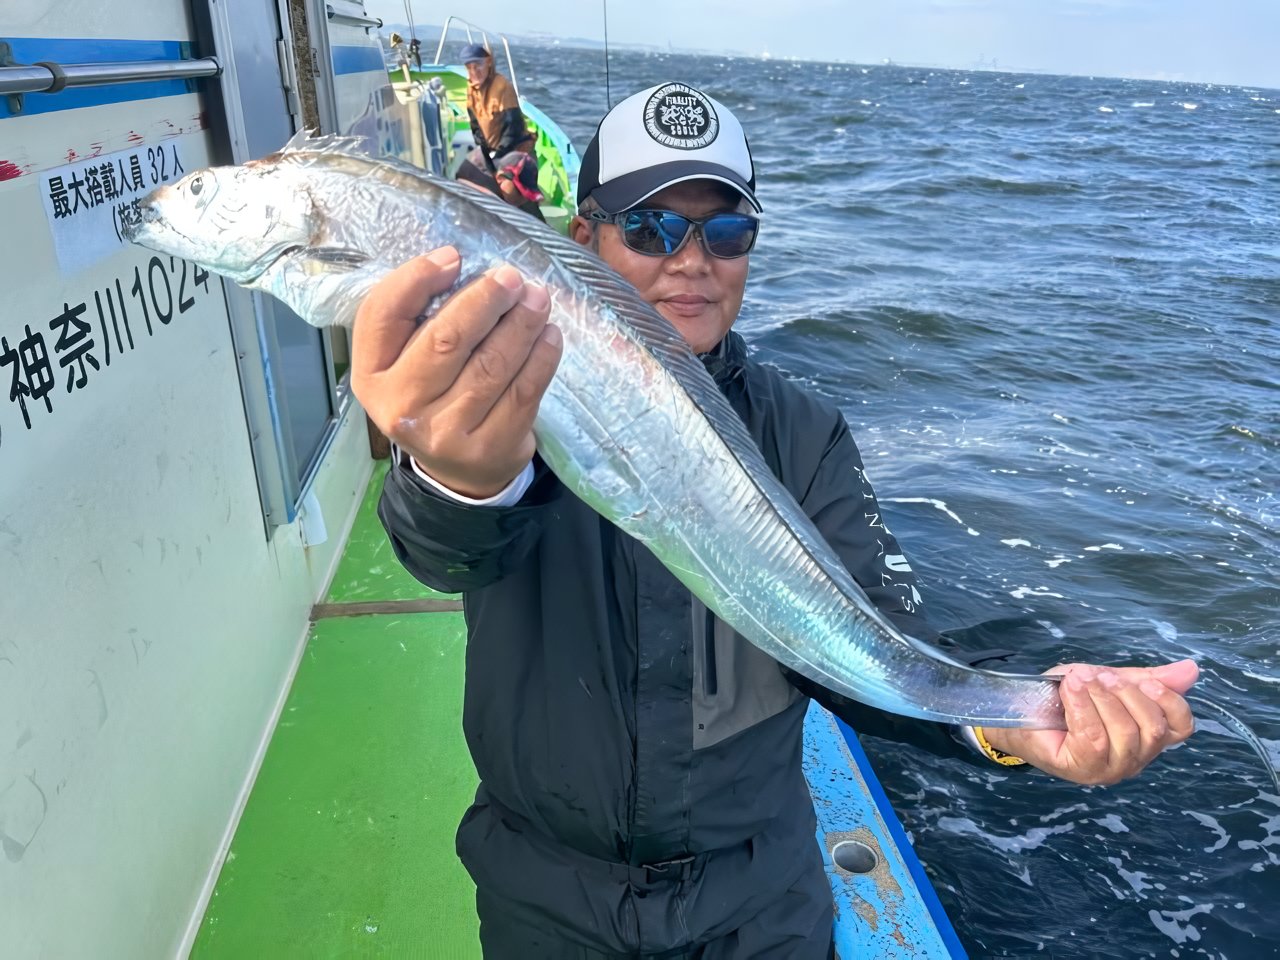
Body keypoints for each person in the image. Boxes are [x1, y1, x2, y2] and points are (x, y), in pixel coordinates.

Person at [351, 81, 1199, 958]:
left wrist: (1014, 720)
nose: (692, 260)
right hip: (544, 890)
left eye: (725, 231)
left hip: (758, 900)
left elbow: (873, 643)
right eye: (649, 228)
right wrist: (458, 477)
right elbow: (445, 553)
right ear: (584, 241)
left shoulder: (805, 432)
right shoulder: (508, 401)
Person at [456, 42, 537, 189]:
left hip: (515, 149)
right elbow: (476, 127)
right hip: (492, 150)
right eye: (470, 67)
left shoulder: (502, 87)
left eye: (478, 65)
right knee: (465, 174)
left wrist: (497, 158)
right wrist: (485, 155)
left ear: (488, 63)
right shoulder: (471, 88)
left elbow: (513, 129)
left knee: (508, 187)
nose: (474, 71)